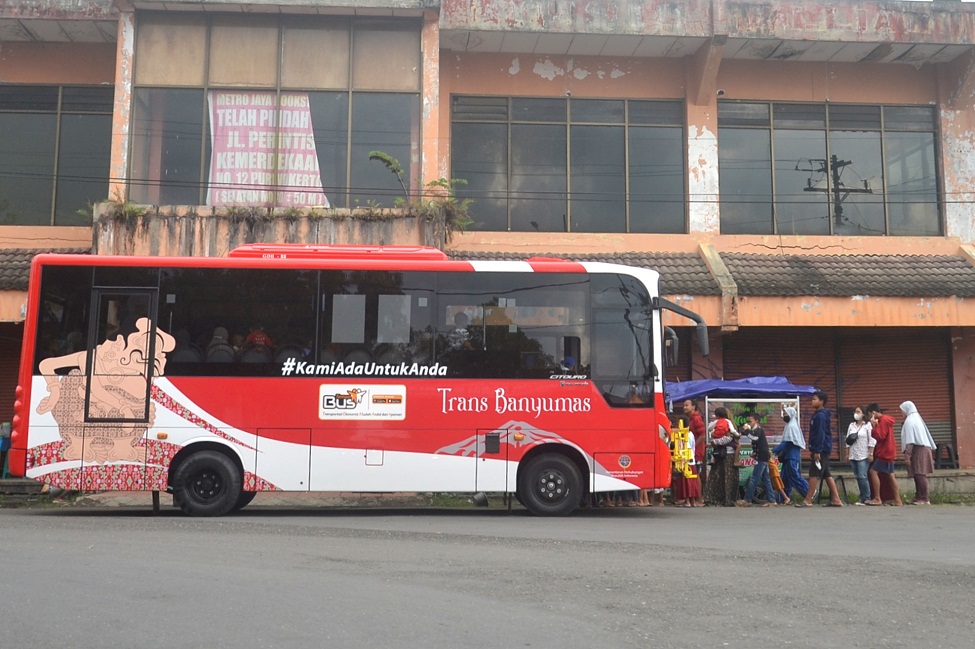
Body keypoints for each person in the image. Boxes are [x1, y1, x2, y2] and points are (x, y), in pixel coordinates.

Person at [798, 391, 843, 507]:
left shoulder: (821, 416)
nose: (812, 401)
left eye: (815, 399)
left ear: (821, 401)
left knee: (813, 473)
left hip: (821, 449)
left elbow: (820, 434)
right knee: (826, 473)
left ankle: (808, 499)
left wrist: (817, 451)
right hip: (822, 448)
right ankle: (836, 499)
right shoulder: (818, 414)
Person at [865, 403, 902, 506]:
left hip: (885, 452)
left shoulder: (883, 421)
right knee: (890, 475)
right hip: (889, 451)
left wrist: (873, 427)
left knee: (873, 471)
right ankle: (897, 500)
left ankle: (877, 498)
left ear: (873, 413)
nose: (869, 418)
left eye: (869, 415)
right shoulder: (886, 420)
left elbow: (880, 436)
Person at [900, 400, 936, 505]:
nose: (902, 413)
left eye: (902, 411)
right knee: (916, 474)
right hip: (919, 449)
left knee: (920, 474)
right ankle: (918, 496)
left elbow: (910, 440)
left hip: (919, 450)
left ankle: (924, 498)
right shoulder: (916, 420)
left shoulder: (910, 421)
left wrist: (907, 455)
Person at [772, 405, 808, 505]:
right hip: (788, 457)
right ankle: (784, 498)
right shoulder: (789, 426)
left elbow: (786, 442)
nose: (784, 415)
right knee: (784, 479)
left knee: (795, 477)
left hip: (792, 456)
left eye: (786, 413)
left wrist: (774, 450)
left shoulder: (792, 427)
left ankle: (809, 493)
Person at [737, 413, 775, 507]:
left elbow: (755, 438)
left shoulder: (758, 430)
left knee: (754, 478)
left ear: (756, 421)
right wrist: (754, 453)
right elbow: (758, 444)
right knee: (766, 479)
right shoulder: (755, 430)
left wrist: (746, 431)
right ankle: (772, 500)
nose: (749, 423)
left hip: (762, 458)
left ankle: (747, 499)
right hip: (762, 456)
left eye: (750, 421)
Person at [704, 407, 739, 507]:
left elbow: (708, 428)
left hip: (719, 453)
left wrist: (714, 437)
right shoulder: (730, 424)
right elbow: (735, 437)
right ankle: (729, 499)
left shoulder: (716, 422)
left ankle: (713, 498)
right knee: (728, 477)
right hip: (729, 454)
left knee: (716, 476)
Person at [846, 405, 876, 505]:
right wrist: (847, 453)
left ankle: (867, 497)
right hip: (853, 454)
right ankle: (862, 497)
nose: (856, 414)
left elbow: (871, 440)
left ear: (863, 414)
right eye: (855, 412)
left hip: (863, 455)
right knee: (858, 476)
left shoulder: (867, 425)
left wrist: (871, 453)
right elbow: (848, 440)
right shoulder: (851, 425)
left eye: (858, 412)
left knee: (863, 476)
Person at [683, 399, 707, 507]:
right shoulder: (690, 419)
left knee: (695, 475)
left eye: (687, 405)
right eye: (684, 405)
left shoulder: (696, 419)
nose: (684, 407)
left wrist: (693, 448)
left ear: (693, 407)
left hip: (696, 452)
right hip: (692, 452)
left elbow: (702, 435)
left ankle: (699, 499)